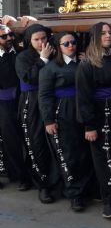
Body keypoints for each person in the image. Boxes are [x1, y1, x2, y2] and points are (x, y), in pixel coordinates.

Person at [76, 22, 111, 219]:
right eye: (103, 33)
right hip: (100, 114)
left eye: (110, 32)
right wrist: (89, 125)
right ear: (95, 37)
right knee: (104, 157)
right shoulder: (87, 64)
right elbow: (84, 96)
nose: (108, 36)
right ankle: (109, 201)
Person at [39, 32, 93, 212]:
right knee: (69, 155)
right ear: (58, 47)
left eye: (73, 42)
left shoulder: (83, 63)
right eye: (66, 43)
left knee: (84, 153)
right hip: (63, 114)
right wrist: (49, 120)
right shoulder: (50, 68)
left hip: (83, 111)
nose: (71, 46)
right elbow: (44, 96)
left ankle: (85, 189)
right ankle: (74, 194)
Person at [14, 23, 59, 202]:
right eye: (36, 39)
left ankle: (58, 181)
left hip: (51, 100)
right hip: (31, 102)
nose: (41, 42)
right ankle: (42, 185)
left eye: (44, 38)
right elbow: (30, 78)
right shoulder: (23, 57)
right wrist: (43, 60)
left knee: (55, 142)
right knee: (36, 144)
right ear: (29, 41)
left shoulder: (55, 52)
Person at [0, 23, 31, 191]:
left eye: (10, 34)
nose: (9, 38)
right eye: (4, 36)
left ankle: (26, 175)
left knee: (23, 139)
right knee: (9, 140)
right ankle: (18, 175)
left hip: (21, 100)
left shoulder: (19, 53)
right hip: (3, 103)